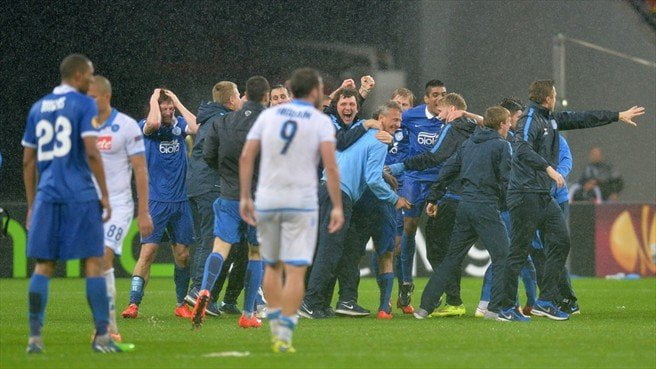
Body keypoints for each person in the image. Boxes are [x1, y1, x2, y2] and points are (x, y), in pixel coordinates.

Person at [499, 79, 644, 321]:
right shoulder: (530, 119)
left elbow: (583, 118)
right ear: (547, 98)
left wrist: (617, 115)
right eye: (554, 94)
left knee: (561, 241)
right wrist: (548, 169)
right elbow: (521, 147)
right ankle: (504, 307)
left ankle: (545, 301)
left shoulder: (550, 119)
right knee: (519, 251)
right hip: (524, 194)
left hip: (542, 195)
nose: (555, 98)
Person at [22, 54, 130, 353]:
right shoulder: (83, 104)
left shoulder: (38, 107)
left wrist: (32, 204)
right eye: (90, 74)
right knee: (93, 263)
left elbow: (28, 161)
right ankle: (103, 337)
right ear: (80, 75)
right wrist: (105, 195)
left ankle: (34, 338)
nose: (91, 79)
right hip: (80, 194)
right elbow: (92, 152)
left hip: (47, 194)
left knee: (43, 265)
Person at [239, 67, 344, 353]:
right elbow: (331, 166)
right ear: (313, 91)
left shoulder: (268, 115)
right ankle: (285, 332)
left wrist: (245, 196)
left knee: (271, 265)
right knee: (296, 270)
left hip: (269, 198)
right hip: (302, 201)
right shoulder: (320, 121)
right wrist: (336, 205)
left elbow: (247, 154)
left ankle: (274, 325)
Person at [299, 101, 411, 319]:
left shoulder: (358, 133)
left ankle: (318, 303)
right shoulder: (379, 140)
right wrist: (394, 198)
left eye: (400, 120)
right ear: (381, 119)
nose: (398, 124)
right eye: (395, 119)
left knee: (325, 250)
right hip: (339, 194)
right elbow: (372, 180)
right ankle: (310, 302)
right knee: (329, 252)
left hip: (325, 189)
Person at [412, 106, 513, 320]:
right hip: (485, 206)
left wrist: (433, 197)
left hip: (465, 207)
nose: (510, 126)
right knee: (503, 255)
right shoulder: (502, 146)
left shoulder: (468, 144)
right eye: (508, 123)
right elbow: (507, 180)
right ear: (502, 124)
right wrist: (506, 204)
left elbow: (448, 169)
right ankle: (495, 310)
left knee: (451, 258)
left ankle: (424, 308)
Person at [191, 76, 271, 329]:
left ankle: (204, 291)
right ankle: (248, 313)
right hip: (258, 198)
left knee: (220, 247)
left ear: (246, 93)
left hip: (227, 195)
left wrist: (227, 176)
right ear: (266, 97)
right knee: (255, 253)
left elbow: (208, 155)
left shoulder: (222, 122)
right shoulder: (269, 123)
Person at [388, 92, 477, 317]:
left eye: (443, 111)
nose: (440, 117)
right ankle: (493, 302)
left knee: (437, 251)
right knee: (456, 250)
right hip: (474, 197)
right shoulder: (476, 129)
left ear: (453, 110)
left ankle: (450, 300)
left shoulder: (452, 128)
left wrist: (402, 166)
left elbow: (434, 158)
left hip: (453, 197)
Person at [121, 88, 199, 319]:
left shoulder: (180, 125)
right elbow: (153, 124)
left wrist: (176, 99)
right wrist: (155, 99)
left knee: (182, 255)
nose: (167, 111)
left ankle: (180, 304)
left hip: (181, 201)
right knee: (148, 252)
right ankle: (134, 303)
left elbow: (197, 128)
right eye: (163, 107)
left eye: (169, 107)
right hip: (156, 201)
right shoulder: (145, 125)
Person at [87, 76, 153, 342]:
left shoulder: (126, 126)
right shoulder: (82, 126)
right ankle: (103, 325)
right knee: (93, 265)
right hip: (90, 205)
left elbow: (140, 170)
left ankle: (109, 329)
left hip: (119, 205)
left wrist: (144, 210)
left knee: (103, 256)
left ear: (105, 97)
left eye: (91, 97)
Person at [184, 81, 244, 317]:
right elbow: (214, 154)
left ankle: (202, 292)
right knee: (210, 239)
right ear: (231, 100)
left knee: (205, 239)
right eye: (238, 95)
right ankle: (198, 290)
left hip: (198, 185)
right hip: (210, 185)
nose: (239, 98)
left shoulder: (209, 118)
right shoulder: (221, 121)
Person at [395, 79, 447, 313]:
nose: (439, 99)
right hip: (415, 178)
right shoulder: (411, 116)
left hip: (441, 180)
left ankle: (439, 287)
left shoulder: (451, 117)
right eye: (435, 95)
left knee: (438, 233)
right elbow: (390, 123)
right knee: (409, 227)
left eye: (443, 94)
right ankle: (406, 281)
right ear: (426, 98)